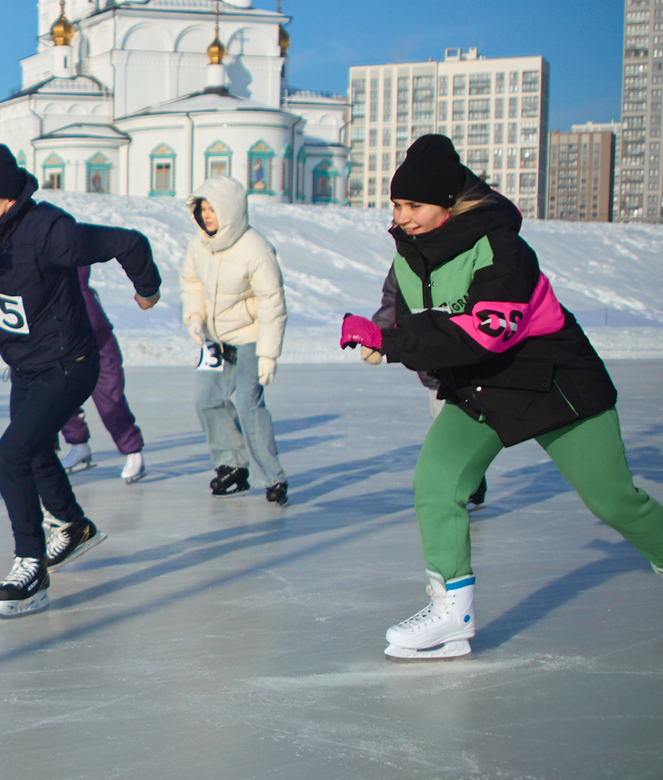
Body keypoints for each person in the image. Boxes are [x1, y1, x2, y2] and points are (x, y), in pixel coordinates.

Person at [339, 134, 663, 660]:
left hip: (553, 384)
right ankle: (452, 615)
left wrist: (392, 343)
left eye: (414, 205)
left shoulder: (503, 247)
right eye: (396, 205)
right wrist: (379, 334)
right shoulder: (407, 258)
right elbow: (406, 313)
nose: (402, 218)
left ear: (448, 203)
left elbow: (486, 331)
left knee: (614, 501)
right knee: (435, 483)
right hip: (480, 389)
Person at [0, 142, 161, 617]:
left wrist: (146, 289)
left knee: (10, 456)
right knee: (34, 453)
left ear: (7, 198)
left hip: (70, 363)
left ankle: (31, 563)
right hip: (26, 365)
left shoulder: (51, 230)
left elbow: (129, 243)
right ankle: (73, 526)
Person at [181, 174, 289, 506]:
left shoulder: (255, 248)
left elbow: (272, 302)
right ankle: (232, 466)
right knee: (205, 400)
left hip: (250, 337)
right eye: (202, 209)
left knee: (247, 404)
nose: (207, 216)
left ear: (229, 210)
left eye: (213, 209)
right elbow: (191, 283)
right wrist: (194, 316)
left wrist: (268, 354)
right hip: (215, 340)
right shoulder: (199, 244)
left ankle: (273, 477)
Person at [367, 267, 486, 509]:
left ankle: (464, 486)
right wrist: (376, 336)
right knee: (447, 424)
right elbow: (392, 301)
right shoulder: (403, 263)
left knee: (461, 428)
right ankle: (468, 486)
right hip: (434, 367)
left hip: (465, 355)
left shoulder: (460, 257)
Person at [58, 259, 148, 483]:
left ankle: (133, 452)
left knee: (111, 400)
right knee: (58, 395)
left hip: (98, 345)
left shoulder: (80, 287)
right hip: (63, 346)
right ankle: (79, 445)